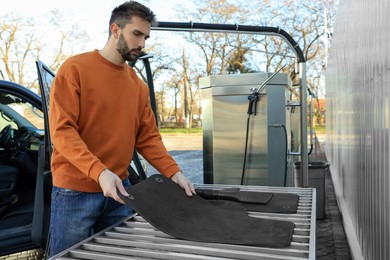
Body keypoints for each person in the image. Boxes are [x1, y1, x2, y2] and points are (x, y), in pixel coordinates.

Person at [47, 1, 195, 257]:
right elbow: (62, 132)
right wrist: (99, 172)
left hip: (121, 193)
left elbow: (148, 138)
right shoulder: (74, 69)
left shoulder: (138, 86)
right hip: (75, 193)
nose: (142, 43)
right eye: (136, 34)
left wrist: (174, 172)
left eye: (146, 37)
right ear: (115, 30)